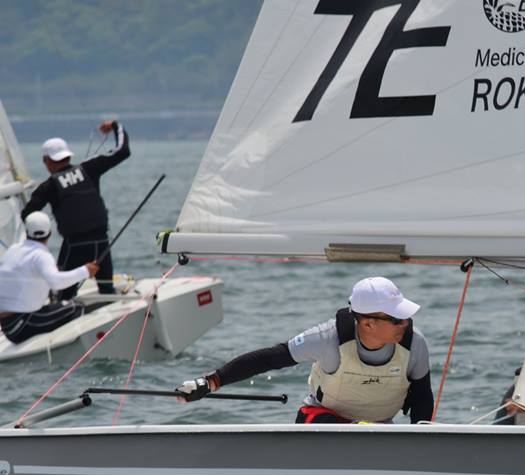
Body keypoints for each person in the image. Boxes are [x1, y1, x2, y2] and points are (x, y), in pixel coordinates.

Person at [176, 277, 435, 424]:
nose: (405, 324)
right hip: (324, 423)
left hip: (380, 432)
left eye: (405, 317)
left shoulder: (415, 345)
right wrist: (211, 382)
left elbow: (422, 398)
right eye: (397, 319)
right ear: (367, 323)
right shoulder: (327, 339)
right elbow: (270, 358)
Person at [21, 120, 131, 299]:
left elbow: (27, 215)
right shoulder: (89, 168)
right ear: (68, 156)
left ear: (46, 161)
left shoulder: (48, 187)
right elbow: (123, 151)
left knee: (62, 296)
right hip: (102, 243)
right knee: (107, 290)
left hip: (74, 247)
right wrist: (115, 126)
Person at [0, 212, 98, 344]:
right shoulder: (41, 255)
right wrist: (85, 271)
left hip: (8, 327)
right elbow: (56, 282)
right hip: (24, 324)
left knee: (58, 307)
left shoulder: (13, 250)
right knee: (75, 307)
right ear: (50, 233)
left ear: (26, 231)